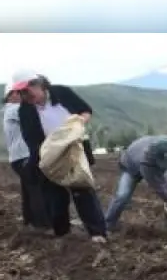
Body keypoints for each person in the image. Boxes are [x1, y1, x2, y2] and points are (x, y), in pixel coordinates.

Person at [12, 69, 108, 243]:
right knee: (54, 195)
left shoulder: (61, 93)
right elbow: (31, 139)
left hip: (74, 150)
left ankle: (97, 233)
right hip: (49, 153)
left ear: (39, 85)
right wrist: (43, 156)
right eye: (21, 92)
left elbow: (85, 111)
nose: (25, 96)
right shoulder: (25, 110)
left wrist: (77, 124)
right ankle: (62, 234)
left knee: (82, 190)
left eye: (27, 91)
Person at [104, 136, 167, 231]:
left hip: (151, 164)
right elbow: (160, 189)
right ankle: (108, 224)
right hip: (131, 167)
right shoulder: (146, 161)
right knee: (123, 196)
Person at [2, 84, 49, 231]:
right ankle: (42, 223)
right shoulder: (14, 110)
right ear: (10, 95)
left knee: (28, 188)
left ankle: (29, 220)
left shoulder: (8, 111)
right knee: (37, 188)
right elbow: (38, 116)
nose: (22, 95)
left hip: (18, 157)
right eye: (18, 93)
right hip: (24, 155)